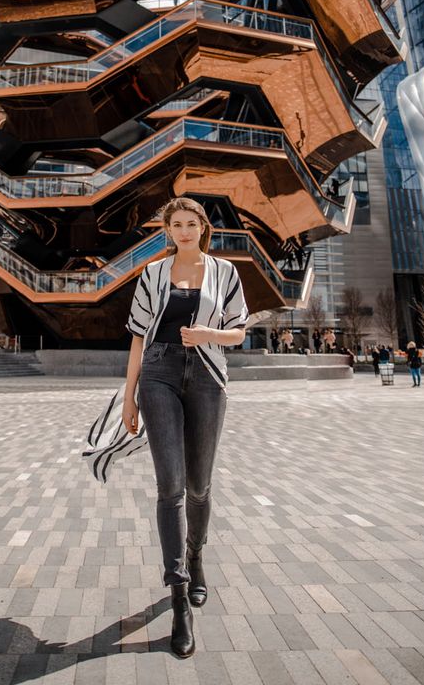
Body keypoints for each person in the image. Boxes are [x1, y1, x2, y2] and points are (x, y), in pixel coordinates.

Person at [121, 197, 249, 659]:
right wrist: (128, 396)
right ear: (168, 231)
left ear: (203, 228)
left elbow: (238, 330)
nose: (183, 230)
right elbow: (138, 336)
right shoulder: (152, 274)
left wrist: (207, 335)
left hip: (208, 377)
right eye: (175, 224)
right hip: (159, 374)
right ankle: (178, 597)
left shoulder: (225, 273)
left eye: (190, 223)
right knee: (170, 487)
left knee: (199, 486)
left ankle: (196, 556)